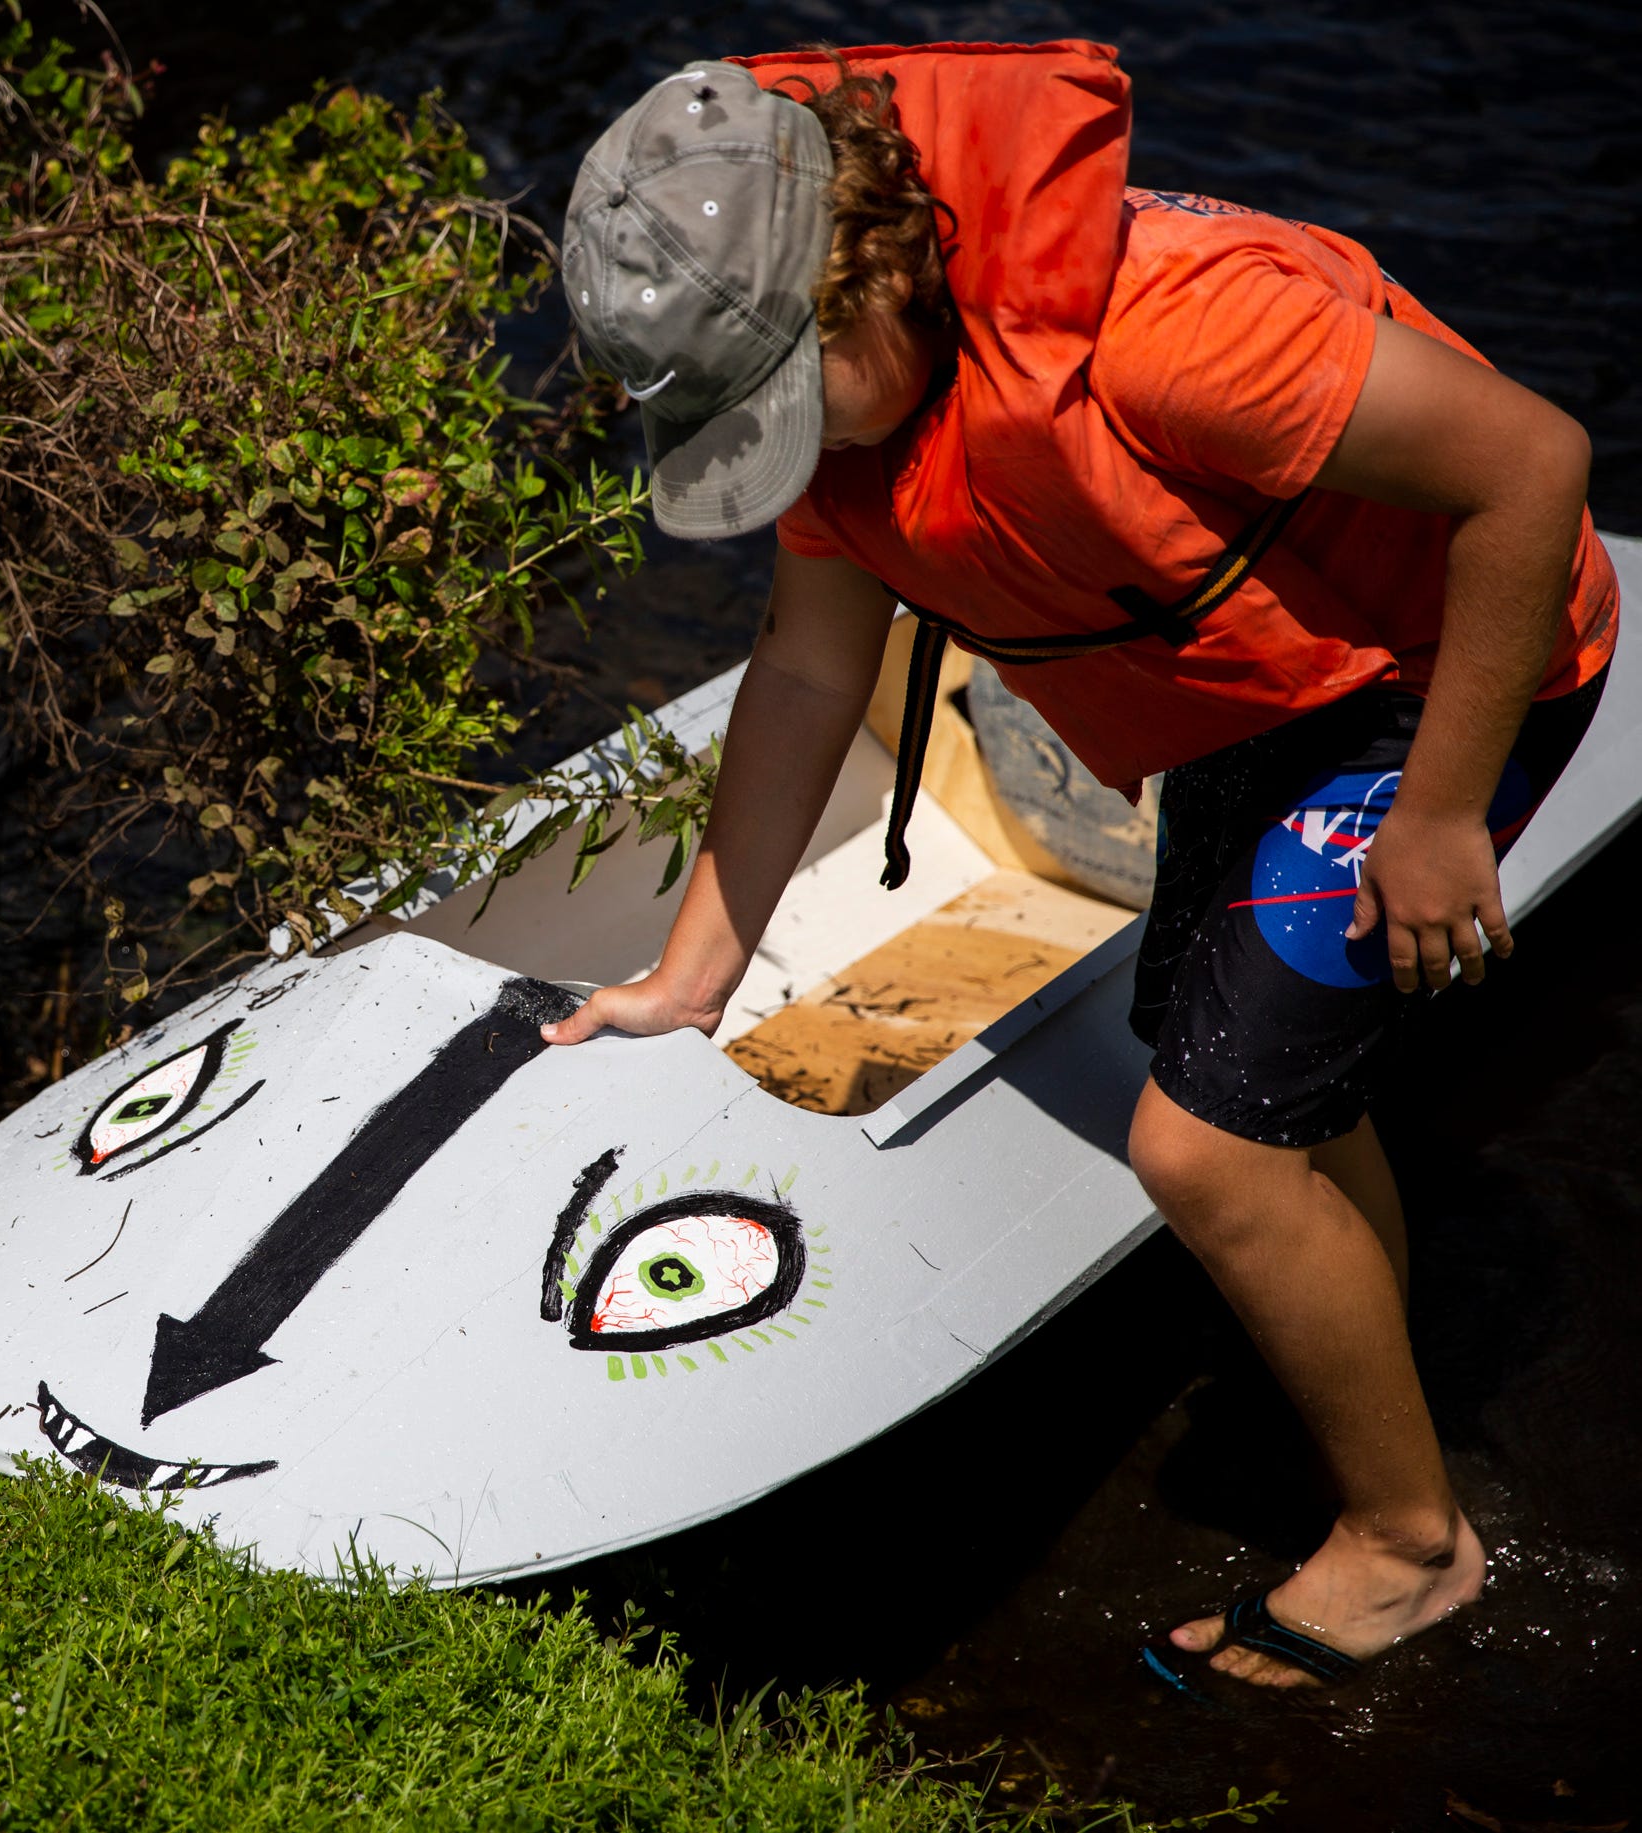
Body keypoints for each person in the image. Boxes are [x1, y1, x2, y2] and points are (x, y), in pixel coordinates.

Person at [538, 41, 1618, 1691]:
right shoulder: (850, 428)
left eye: (771, 397)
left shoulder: (1168, 339)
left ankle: (1410, 1548)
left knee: (1200, 1151)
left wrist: (1440, 814)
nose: (774, 450)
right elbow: (810, 674)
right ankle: (1355, 1346)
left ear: (868, 275)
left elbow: (1531, 465)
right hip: (1259, 689)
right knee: (1266, 1098)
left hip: (1437, 673)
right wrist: (698, 971)